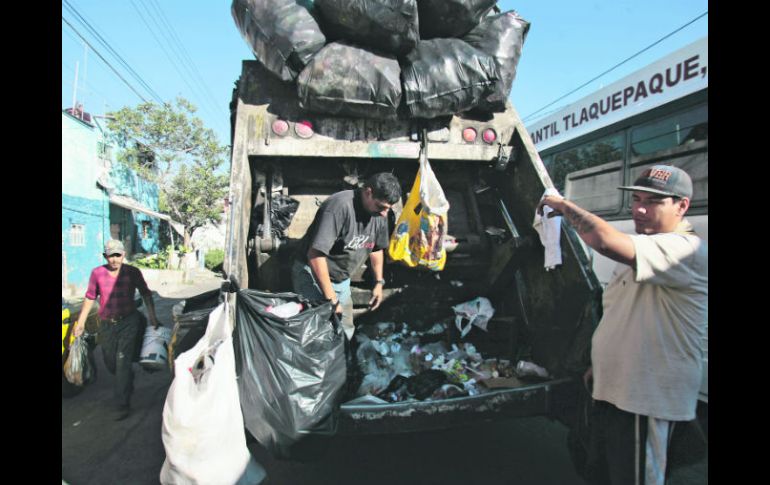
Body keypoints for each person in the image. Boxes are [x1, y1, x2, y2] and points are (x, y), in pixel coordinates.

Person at [538, 165, 707, 485]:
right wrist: (597, 365)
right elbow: (621, 314)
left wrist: (560, 205)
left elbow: (602, 239)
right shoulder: (645, 248)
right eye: (637, 200)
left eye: (654, 202)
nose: (639, 210)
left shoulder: (686, 250)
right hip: (616, 390)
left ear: (682, 206)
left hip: (645, 399)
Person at [292, 172, 401, 339]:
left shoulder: (379, 215)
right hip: (312, 274)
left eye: (388, 209)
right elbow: (315, 255)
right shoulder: (339, 207)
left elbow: (376, 249)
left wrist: (379, 282)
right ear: (368, 192)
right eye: (381, 207)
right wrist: (332, 300)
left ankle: (340, 361)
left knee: (345, 328)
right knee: (316, 330)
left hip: (341, 279)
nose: (384, 214)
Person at [73, 239, 161, 420]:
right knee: (111, 363)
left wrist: (152, 317)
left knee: (122, 363)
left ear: (123, 255)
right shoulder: (97, 273)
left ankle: (122, 404)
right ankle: (126, 377)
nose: (113, 259)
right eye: (110, 255)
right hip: (106, 324)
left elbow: (145, 293)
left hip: (129, 322)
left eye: (117, 255)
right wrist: (81, 322)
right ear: (105, 256)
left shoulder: (133, 272)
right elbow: (90, 297)